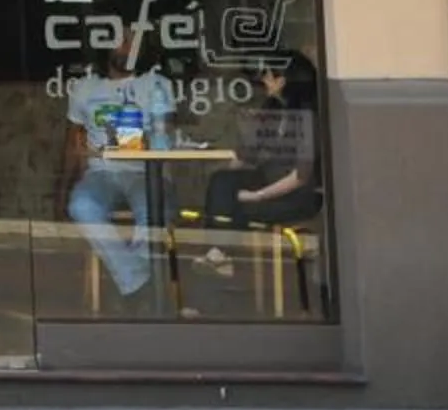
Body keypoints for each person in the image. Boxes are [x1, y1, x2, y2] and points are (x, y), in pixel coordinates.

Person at [62, 41, 177, 312]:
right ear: (107, 48)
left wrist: (146, 140)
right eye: (123, 41)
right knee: (81, 206)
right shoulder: (86, 88)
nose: (130, 47)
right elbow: (72, 143)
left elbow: (167, 132)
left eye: (135, 41)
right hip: (100, 171)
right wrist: (62, 187)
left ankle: (132, 287)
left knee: (153, 209)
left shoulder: (157, 84)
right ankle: (137, 282)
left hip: (145, 170)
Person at [196, 52, 324, 273]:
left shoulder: (308, 118)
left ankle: (224, 256)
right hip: (268, 178)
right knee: (221, 182)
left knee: (239, 206)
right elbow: (248, 154)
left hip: (297, 194)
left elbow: (300, 177)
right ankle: (218, 253)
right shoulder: (273, 108)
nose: (263, 79)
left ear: (282, 80)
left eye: (268, 74)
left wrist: (257, 195)